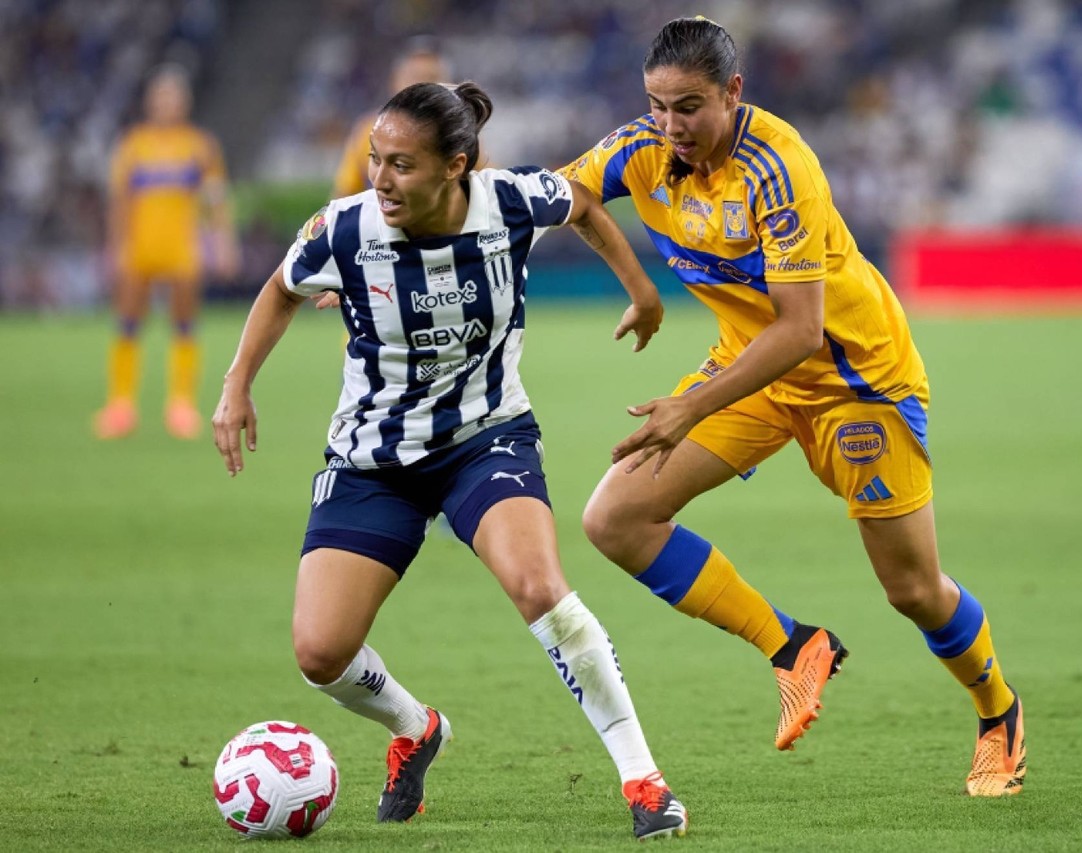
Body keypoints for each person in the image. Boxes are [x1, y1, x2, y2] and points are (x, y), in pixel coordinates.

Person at [211, 81, 688, 839]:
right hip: (372, 458)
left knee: (541, 586)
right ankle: (416, 725)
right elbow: (279, 288)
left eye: (401, 164)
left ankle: (644, 778)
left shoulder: (512, 200)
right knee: (320, 651)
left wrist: (643, 292)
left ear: (454, 166)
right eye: (375, 160)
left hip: (485, 437)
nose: (380, 179)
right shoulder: (344, 229)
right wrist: (237, 386)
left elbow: (588, 205)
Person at [562, 17, 1025, 796]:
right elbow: (567, 194)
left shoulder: (778, 165)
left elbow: (802, 330)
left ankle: (997, 710)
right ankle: (792, 646)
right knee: (615, 518)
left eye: (690, 107)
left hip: (856, 382)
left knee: (912, 589)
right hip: (751, 371)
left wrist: (687, 407)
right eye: (658, 105)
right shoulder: (643, 146)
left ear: (734, 93)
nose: (671, 126)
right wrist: (640, 287)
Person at [95, 63, 239, 440]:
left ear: (185, 102)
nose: (167, 103)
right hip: (139, 248)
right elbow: (119, 202)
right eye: (161, 96)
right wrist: (115, 248)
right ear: (149, 101)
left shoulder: (200, 147)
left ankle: (180, 405)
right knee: (128, 321)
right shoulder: (133, 145)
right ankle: (121, 405)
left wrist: (223, 244)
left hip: (182, 248)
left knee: (184, 322)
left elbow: (215, 200)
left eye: (174, 96)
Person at [332, 36, 450, 198]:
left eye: (432, 78)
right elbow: (344, 196)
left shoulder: (458, 134)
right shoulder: (368, 130)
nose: (422, 86)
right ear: (395, 81)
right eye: (415, 77)